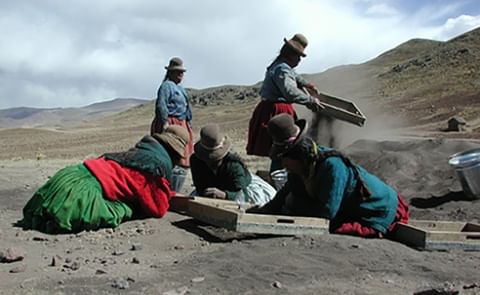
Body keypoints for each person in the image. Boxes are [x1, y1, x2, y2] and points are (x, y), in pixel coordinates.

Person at [249, 114, 409, 238]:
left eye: (284, 159)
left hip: (378, 209)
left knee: (337, 227)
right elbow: (285, 195)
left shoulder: (332, 166)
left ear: (297, 156)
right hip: (349, 208)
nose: (283, 165)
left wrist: (294, 204)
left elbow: (327, 212)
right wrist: (261, 212)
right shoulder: (299, 169)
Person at [20, 125, 190, 234]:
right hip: (79, 193)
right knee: (122, 209)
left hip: (69, 176)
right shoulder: (154, 167)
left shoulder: (139, 154)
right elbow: (157, 208)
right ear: (173, 153)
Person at [246, 33, 323, 172]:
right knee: (284, 146)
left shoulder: (281, 65)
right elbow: (289, 91)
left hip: (271, 108)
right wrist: (309, 100)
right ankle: (279, 176)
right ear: (290, 54)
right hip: (277, 111)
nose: (299, 60)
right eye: (298, 56)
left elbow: (294, 76)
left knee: (282, 147)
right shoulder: (282, 68)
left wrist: (307, 85)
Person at [190, 124, 276, 206]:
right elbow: (200, 186)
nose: (210, 162)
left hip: (241, 192)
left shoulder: (233, 165)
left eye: (214, 159)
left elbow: (243, 196)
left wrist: (225, 195)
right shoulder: (196, 161)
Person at [150, 57, 193, 192]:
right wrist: (165, 123)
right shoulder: (166, 86)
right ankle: (168, 189)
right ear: (171, 72)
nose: (181, 74)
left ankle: (175, 190)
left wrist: (188, 124)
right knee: (172, 156)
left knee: (183, 159)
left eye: (182, 72)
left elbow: (187, 108)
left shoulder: (180, 89)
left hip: (182, 124)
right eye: (178, 72)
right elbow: (161, 104)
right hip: (171, 124)